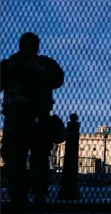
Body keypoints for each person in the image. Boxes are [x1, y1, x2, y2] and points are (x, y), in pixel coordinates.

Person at [1, 32, 64, 212]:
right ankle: (38, 194)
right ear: (37, 47)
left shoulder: (8, 65)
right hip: (38, 118)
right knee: (38, 158)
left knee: (15, 159)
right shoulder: (44, 64)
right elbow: (58, 79)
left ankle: (18, 196)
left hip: (16, 119)